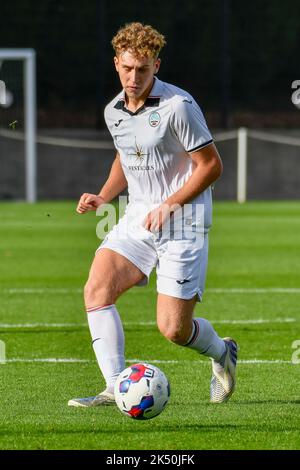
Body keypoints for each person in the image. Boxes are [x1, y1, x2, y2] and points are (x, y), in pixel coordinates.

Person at [68, 22, 237, 408]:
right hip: (137, 220)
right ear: (116, 64)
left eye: (142, 69)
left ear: (156, 66)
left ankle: (223, 352)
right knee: (97, 290)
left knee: (174, 330)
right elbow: (124, 156)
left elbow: (211, 166)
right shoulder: (113, 110)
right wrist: (104, 196)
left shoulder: (178, 106)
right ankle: (115, 386)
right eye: (127, 68)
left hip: (183, 224)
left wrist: (171, 204)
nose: (134, 77)